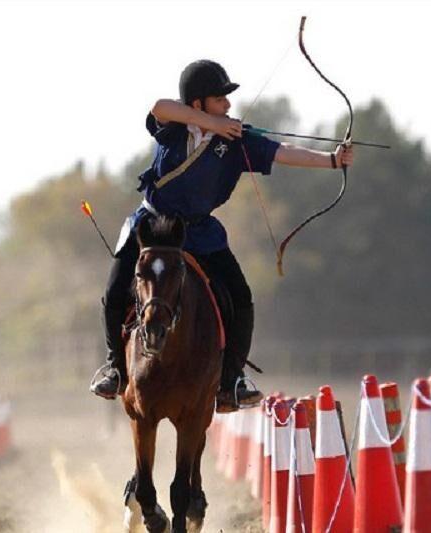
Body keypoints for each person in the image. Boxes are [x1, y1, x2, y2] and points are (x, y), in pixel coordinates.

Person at [91, 59, 354, 412]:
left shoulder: (235, 142)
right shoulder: (174, 129)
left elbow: (282, 153)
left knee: (241, 298)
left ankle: (231, 380)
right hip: (154, 227)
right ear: (197, 104)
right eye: (219, 99)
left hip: (199, 233)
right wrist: (210, 123)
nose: (228, 106)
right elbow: (159, 107)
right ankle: (116, 368)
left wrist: (332, 160)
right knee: (114, 289)